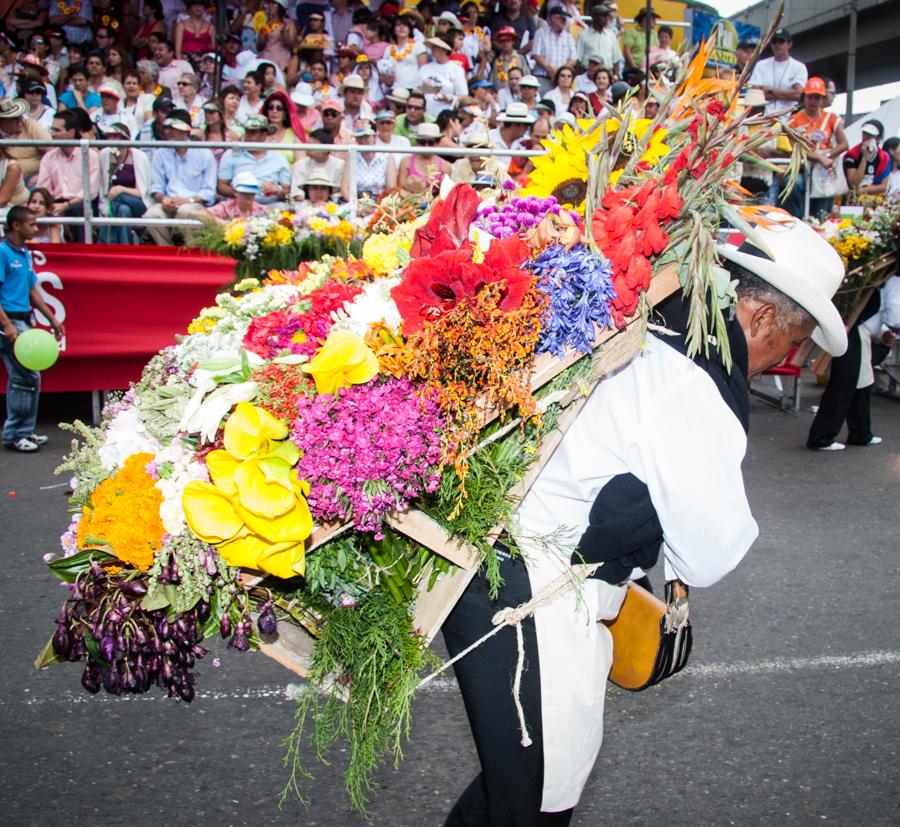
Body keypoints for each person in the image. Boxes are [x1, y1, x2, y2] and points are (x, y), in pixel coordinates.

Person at [441, 208, 848, 825]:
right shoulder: (694, 381)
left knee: (515, 786)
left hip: (497, 559)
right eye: (787, 341)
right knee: (536, 803)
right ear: (760, 315)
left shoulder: (647, 314)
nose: (776, 359)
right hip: (533, 589)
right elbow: (711, 552)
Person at [808, 274, 900, 451]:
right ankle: (821, 436)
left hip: (861, 330)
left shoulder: (885, 280)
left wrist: (884, 330)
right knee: (844, 383)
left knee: (862, 382)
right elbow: (892, 310)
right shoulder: (888, 279)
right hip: (855, 330)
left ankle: (860, 433)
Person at [0, 206, 65, 453]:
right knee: (22, 378)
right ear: (16, 226)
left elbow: (32, 290)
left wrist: (52, 320)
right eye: (31, 224)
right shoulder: (3, 252)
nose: (36, 229)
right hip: (10, 321)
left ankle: (23, 431)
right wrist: (6, 325)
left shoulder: (24, 252)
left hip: (23, 320)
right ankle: (14, 435)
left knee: (29, 377)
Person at [144, 111, 217, 245]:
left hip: (194, 204)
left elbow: (209, 192)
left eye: (173, 128)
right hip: (169, 203)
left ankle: (192, 254)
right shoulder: (160, 153)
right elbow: (156, 188)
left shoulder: (204, 153)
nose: (168, 132)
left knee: (185, 211)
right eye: (167, 128)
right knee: (151, 215)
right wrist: (164, 199)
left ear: (186, 130)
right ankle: (166, 253)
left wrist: (187, 200)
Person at [786, 77, 848, 218]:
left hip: (823, 171)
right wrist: (818, 157)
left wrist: (826, 155)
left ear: (823, 99)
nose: (814, 101)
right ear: (805, 97)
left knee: (821, 212)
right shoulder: (794, 119)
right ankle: (796, 221)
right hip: (802, 167)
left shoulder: (831, 118)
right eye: (811, 97)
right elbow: (795, 147)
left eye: (818, 98)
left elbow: (844, 144)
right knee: (792, 184)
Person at [35, 109, 101, 243]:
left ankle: (81, 253)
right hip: (55, 203)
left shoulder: (90, 156)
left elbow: (91, 192)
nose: (52, 134)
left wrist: (66, 205)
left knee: (76, 210)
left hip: (81, 203)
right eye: (52, 130)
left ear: (71, 132)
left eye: (57, 130)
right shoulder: (49, 157)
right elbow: (43, 188)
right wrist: (49, 205)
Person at [218, 114, 291, 205]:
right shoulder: (231, 155)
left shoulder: (279, 159)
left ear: (263, 136)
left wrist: (277, 190)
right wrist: (240, 193)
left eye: (252, 132)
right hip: (237, 205)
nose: (248, 136)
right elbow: (221, 186)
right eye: (247, 131)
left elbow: (287, 193)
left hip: (270, 207)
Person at [99, 122, 151, 245]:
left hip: (137, 203)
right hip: (116, 204)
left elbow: (142, 193)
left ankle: (103, 243)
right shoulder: (105, 154)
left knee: (119, 198)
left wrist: (121, 190)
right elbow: (103, 187)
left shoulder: (139, 156)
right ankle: (125, 248)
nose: (111, 140)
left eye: (115, 136)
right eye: (109, 136)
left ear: (125, 139)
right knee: (123, 210)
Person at [748, 28, 807, 118]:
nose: (777, 44)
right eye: (774, 41)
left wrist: (770, 90)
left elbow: (797, 95)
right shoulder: (761, 65)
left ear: (789, 44)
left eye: (781, 41)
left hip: (790, 118)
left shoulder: (799, 67)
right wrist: (787, 93)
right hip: (766, 118)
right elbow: (755, 95)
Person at [341, 124, 398, 201]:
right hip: (357, 199)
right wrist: (356, 204)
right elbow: (344, 188)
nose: (363, 140)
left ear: (374, 137)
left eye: (366, 136)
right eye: (360, 137)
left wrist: (380, 206)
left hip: (381, 201)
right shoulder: (352, 157)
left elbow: (391, 188)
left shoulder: (387, 156)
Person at [290, 127, 345, 200]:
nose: (309, 148)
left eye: (313, 145)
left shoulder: (340, 165)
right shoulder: (300, 164)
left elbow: (338, 193)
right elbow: (297, 192)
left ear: (327, 149)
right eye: (308, 144)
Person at [531, 6, 577, 93]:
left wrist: (560, 72)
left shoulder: (568, 37)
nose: (564, 21)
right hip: (542, 76)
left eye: (565, 19)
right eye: (562, 18)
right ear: (552, 18)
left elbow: (573, 59)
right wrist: (551, 70)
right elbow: (536, 55)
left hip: (562, 79)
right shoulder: (541, 33)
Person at [197, 170, 267, 225]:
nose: (248, 196)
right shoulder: (226, 207)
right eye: (244, 193)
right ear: (235, 192)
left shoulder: (262, 210)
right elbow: (200, 213)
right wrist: (223, 223)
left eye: (251, 193)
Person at [843, 120, 892, 197]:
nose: (866, 137)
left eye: (871, 135)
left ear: (878, 137)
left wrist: (862, 190)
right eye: (865, 134)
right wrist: (864, 157)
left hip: (875, 198)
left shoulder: (884, 157)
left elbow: (883, 186)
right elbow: (853, 183)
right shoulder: (852, 154)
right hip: (853, 199)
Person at [261, 90, 305, 164]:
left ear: (285, 114)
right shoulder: (259, 133)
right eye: (271, 108)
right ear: (267, 112)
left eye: (279, 108)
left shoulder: (293, 135)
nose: (274, 111)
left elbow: (301, 162)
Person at [576, 5, 621, 78]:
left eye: (607, 16)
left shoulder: (611, 35)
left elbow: (616, 59)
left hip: (607, 74)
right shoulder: (583, 35)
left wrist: (615, 75)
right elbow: (578, 59)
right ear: (595, 17)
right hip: (588, 75)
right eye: (603, 16)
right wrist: (577, 78)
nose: (606, 19)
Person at [258, 0, 298, 70]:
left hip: (281, 60)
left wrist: (286, 36)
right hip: (266, 58)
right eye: (269, 3)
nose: (270, 6)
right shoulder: (266, 24)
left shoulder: (288, 23)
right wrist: (261, 38)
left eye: (273, 4)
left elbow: (293, 46)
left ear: (280, 6)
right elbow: (259, 47)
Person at [623, 7, 659, 72]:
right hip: (635, 69)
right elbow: (627, 51)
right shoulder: (632, 32)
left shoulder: (655, 34)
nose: (655, 21)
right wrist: (634, 68)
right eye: (653, 18)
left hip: (651, 69)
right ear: (645, 19)